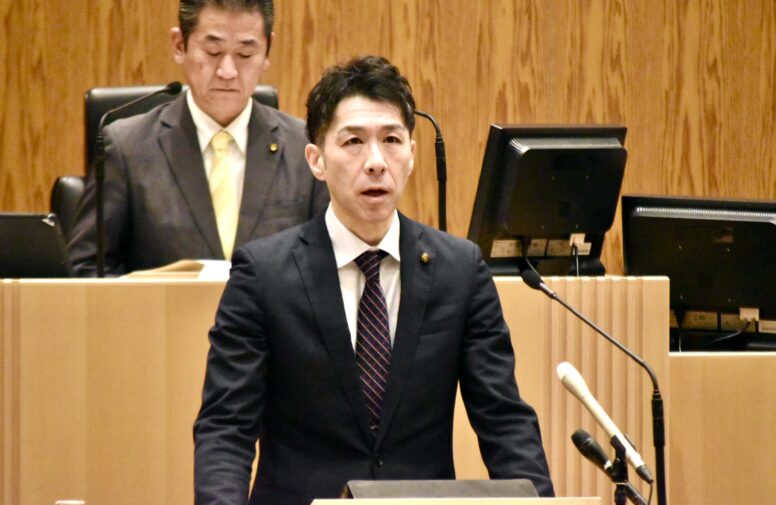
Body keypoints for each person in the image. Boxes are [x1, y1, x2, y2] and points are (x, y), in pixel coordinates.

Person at [194, 55, 555, 505]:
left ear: (412, 155)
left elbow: (504, 420)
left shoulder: (460, 271)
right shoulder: (263, 274)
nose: (376, 162)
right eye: (353, 142)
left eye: (391, 140)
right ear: (316, 160)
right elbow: (226, 427)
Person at [68, 0, 328, 276]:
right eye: (213, 51)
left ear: (268, 49)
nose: (227, 71)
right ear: (180, 45)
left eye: (245, 54)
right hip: (164, 308)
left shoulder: (305, 149)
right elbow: (87, 271)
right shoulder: (127, 148)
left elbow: (330, 265)